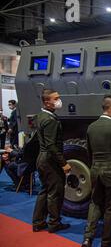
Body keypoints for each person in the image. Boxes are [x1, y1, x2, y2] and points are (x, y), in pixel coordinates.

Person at [80, 95, 111, 247]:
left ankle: (88, 238)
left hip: (95, 170)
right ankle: (106, 241)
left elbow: (89, 152)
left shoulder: (91, 127)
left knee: (95, 203)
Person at [32, 89, 72, 233]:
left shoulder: (41, 116)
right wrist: (64, 163)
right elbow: (51, 145)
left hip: (42, 159)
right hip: (50, 161)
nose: (59, 100)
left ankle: (38, 222)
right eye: (56, 98)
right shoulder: (50, 120)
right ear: (46, 101)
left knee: (45, 190)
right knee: (55, 192)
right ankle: (54, 223)